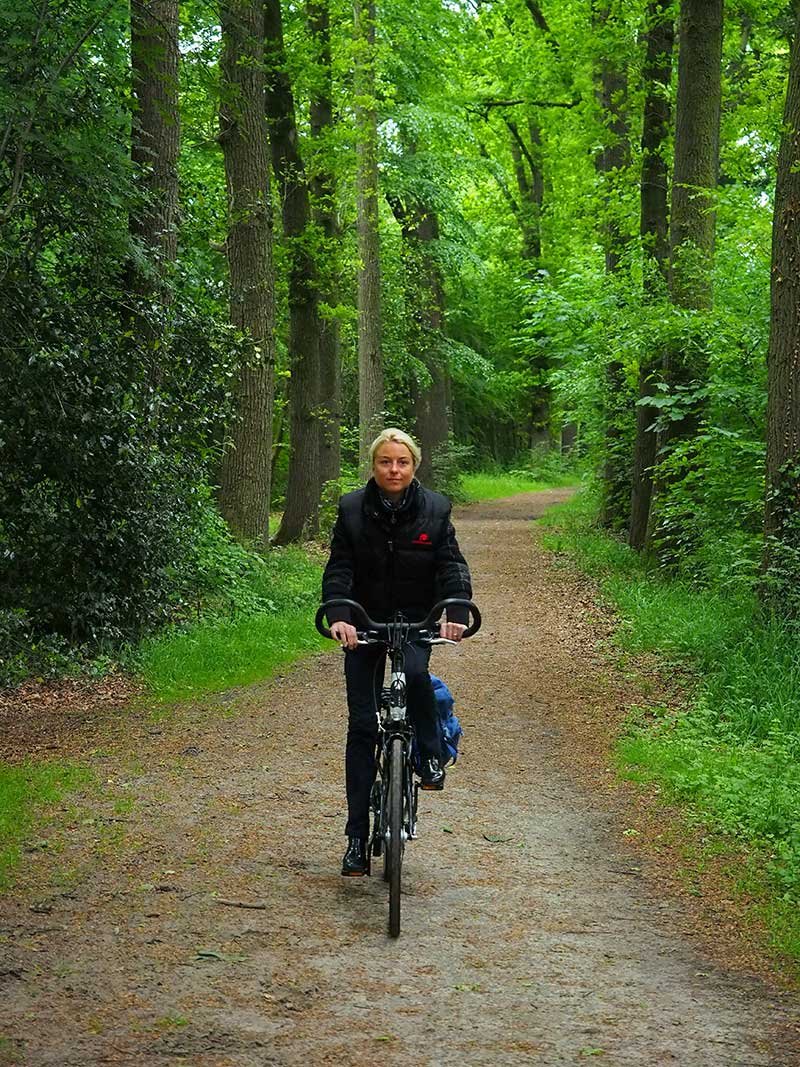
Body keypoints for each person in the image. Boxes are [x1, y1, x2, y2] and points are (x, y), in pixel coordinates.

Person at [322, 427, 473, 876]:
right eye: (386, 462)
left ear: (414, 466)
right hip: (365, 621)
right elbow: (340, 569)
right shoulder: (351, 510)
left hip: (415, 620)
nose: (394, 469)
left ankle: (428, 754)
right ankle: (354, 837)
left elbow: (451, 567)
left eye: (402, 462)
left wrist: (455, 611)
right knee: (363, 726)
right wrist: (341, 615)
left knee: (418, 676)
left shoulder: (436, 509)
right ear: (374, 466)